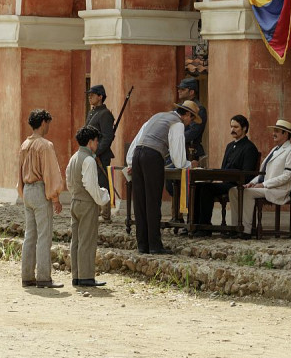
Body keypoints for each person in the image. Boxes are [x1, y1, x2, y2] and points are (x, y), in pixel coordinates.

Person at [125, 101, 194, 255]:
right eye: (192, 119)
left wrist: (131, 162)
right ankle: (155, 245)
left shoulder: (157, 117)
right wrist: (188, 164)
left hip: (137, 155)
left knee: (140, 202)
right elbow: (178, 158)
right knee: (153, 201)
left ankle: (142, 244)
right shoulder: (177, 123)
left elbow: (137, 140)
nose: (191, 123)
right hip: (152, 157)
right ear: (187, 115)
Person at [17, 109, 64, 289]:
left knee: (30, 236)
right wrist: (55, 197)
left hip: (27, 191)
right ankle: (44, 277)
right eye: (48, 123)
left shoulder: (24, 145)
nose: (49, 126)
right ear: (43, 122)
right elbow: (50, 173)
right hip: (40, 190)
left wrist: (22, 192)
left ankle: (27, 276)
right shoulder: (45, 145)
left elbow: (19, 172)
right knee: (44, 236)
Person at [190, 114, 259, 234]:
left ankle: (205, 227)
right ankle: (195, 225)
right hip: (225, 182)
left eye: (236, 127)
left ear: (244, 128)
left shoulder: (249, 148)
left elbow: (247, 174)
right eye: (231, 126)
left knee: (206, 188)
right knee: (197, 186)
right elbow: (223, 168)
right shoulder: (229, 146)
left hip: (236, 184)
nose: (232, 130)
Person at [239, 119, 291, 239]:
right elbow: (264, 173)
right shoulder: (275, 149)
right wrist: (251, 183)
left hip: (279, 189)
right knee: (238, 190)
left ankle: (245, 230)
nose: (273, 133)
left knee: (246, 193)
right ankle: (236, 227)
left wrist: (264, 185)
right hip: (267, 186)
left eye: (277, 131)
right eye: (274, 131)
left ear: (285, 134)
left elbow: (288, 175)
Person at [66, 125, 110, 287]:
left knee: (76, 240)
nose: (97, 144)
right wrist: (103, 197)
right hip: (87, 203)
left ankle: (76, 276)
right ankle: (86, 276)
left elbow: (69, 182)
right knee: (87, 240)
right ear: (90, 141)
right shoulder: (89, 160)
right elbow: (91, 185)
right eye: (96, 141)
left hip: (75, 201)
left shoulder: (74, 157)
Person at [85, 85, 116, 221]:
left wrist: (96, 152)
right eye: (89, 94)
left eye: (93, 94)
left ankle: (105, 214)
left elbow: (108, 137)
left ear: (100, 96)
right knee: (93, 183)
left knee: (103, 184)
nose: (89, 97)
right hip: (91, 154)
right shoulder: (92, 112)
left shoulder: (105, 114)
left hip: (101, 155)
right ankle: (96, 212)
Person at [177, 78, 208, 164]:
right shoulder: (180, 106)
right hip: (181, 149)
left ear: (191, 92)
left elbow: (193, 132)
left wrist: (177, 139)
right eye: (179, 89)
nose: (179, 91)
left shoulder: (199, 109)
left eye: (183, 89)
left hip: (191, 151)